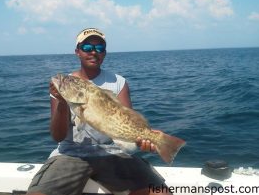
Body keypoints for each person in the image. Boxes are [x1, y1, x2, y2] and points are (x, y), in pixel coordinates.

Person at [27, 28, 172, 195]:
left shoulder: (119, 82)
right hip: (70, 154)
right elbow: (57, 136)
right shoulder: (63, 86)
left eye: (99, 48)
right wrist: (61, 101)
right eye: (87, 48)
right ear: (77, 52)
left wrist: (145, 138)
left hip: (113, 153)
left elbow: (128, 124)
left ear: (105, 53)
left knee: (160, 193)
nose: (93, 52)